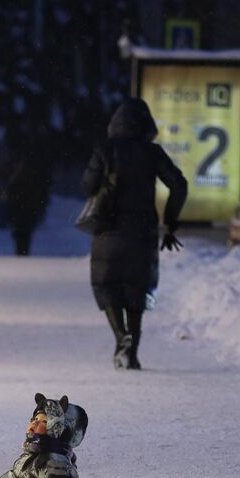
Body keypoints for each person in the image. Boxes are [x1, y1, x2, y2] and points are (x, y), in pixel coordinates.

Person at [82, 98, 187, 370]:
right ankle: (133, 352)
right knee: (136, 289)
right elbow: (179, 184)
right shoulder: (153, 153)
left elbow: (87, 185)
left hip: (109, 229)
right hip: (142, 230)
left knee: (107, 285)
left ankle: (121, 336)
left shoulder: (105, 149)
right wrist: (170, 222)